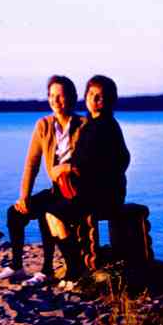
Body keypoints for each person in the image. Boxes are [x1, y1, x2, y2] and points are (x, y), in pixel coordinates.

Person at [0, 75, 87, 285]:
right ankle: (16, 266)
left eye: (60, 96)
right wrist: (24, 196)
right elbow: (31, 164)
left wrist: (67, 168)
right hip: (57, 189)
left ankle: (47, 270)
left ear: (72, 97)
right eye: (51, 96)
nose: (55, 100)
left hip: (78, 191)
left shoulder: (84, 125)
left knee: (46, 212)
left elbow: (91, 163)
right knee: (14, 213)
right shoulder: (43, 125)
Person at [45, 75, 130, 276]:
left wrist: (66, 168)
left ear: (109, 100)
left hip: (104, 196)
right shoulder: (91, 124)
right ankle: (75, 264)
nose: (94, 99)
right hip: (90, 192)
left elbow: (119, 160)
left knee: (54, 214)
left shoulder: (106, 125)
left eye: (100, 96)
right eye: (91, 94)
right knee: (49, 211)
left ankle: (75, 267)